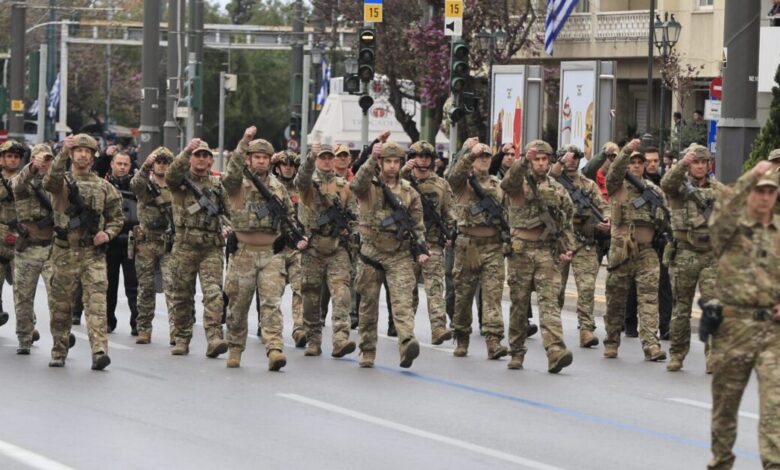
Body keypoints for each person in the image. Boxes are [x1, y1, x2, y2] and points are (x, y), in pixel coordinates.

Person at [706, 161, 780, 470]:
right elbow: (725, 206)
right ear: (749, 193)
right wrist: (752, 174)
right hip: (734, 329)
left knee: (776, 407)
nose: (764, 197)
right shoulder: (728, 230)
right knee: (726, 406)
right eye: (759, 191)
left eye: (770, 191)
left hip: (772, 334)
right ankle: (721, 462)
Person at [222, 127, 305, 370]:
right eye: (256, 156)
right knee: (238, 305)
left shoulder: (278, 187)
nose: (261, 161)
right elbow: (230, 175)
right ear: (249, 158)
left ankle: (275, 349)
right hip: (244, 253)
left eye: (265, 157)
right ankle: (235, 349)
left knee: (271, 304)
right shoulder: (238, 183)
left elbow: (289, 216)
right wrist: (243, 141)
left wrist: (295, 238)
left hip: (271, 254)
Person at [43, 133, 123, 370]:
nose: (83, 154)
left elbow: (117, 218)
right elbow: (49, 182)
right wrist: (60, 154)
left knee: (97, 305)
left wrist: (107, 234)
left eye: (87, 151)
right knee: (61, 307)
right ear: (72, 153)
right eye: (78, 150)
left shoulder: (105, 187)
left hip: (92, 255)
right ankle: (59, 350)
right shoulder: (61, 183)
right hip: (64, 253)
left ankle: (99, 351)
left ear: (93, 156)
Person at [351, 140, 428, 368]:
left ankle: (407, 343)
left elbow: (418, 225)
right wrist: (370, 161)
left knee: (403, 303)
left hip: (399, 254)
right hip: (371, 254)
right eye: (388, 162)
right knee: (368, 306)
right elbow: (355, 185)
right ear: (381, 163)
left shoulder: (409, 192)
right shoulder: (370, 186)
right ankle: (367, 350)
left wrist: (420, 249)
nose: (393, 166)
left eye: (396, 162)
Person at [500, 140, 575, 372]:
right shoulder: (518, 184)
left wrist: (567, 247)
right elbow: (507, 181)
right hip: (520, 250)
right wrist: (523, 160)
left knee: (550, 304)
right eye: (537, 159)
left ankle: (555, 351)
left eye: (544, 160)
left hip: (546, 251)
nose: (541, 164)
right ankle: (517, 352)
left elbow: (568, 220)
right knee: (519, 303)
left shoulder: (558, 189)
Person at [661, 144, 725, 372]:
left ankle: (714, 357)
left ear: (709, 165)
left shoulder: (719, 190)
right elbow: (666, 183)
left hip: (710, 256)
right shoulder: (678, 187)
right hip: (685, 252)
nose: (699, 166)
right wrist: (681, 164)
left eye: (702, 162)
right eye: (695, 162)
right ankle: (677, 354)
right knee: (681, 308)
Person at [603, 139, 667, 362]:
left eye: (641, 162)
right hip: (621, 251)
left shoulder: (654, 192)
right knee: (616, 301)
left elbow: (666, 218)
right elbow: (612, 172)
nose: (637, 165)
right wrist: (626, 150)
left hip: (647, 252)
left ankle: (651, 344)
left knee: (649, 300)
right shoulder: (616, 187)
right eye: (633, 162)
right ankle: (611, 341)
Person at [165, 139, 230, 358]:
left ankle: (214, 337)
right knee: (182, 294)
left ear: (211, 160)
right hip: (184, 246)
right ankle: (182, 337)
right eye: (197, 155)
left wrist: (230, 227)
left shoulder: (218, 185)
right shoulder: (180, 181)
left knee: (213, 294)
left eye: (205, 155)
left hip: (211, 247)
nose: (201, 159)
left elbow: (229, 212)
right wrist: (186, 150)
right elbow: (171, 174)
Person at [294, 142, 357, 358]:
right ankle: (313, 339)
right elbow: (301, 179)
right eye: (323, 157)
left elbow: (354, 215)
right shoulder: (309, 185)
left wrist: (351, 232)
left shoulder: (344, 186)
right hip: (312, 247)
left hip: (337, 247)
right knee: (311, 295)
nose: (328, 161)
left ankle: (340, 339)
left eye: (330, 157)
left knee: (342, 293)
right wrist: (310, 158)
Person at [446, 142, 509, 359]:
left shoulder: (499, 186)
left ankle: (494, 340)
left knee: (492, 295)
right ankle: (461, 336)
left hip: (492, 245)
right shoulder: (462, 183)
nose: (483, 159)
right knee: (463, 296)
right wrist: (467, 155)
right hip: (467, 245)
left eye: (487, 156)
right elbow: (453, 176)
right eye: (479, 156)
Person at [11, 144, 75, 354]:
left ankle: (62, 338)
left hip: (53, 249)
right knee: (23, 297)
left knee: (59, 298)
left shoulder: (57, 183)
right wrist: (31, 168)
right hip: (28, 248)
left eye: (48, 159)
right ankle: (24, 337)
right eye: (40, 159)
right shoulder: (23, 182)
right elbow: (17, 184)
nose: (44, 163)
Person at [550, 144, 610, 349]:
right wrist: (559, 162)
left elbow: (603, 207)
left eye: (576, 157)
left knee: (586, 287)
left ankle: (586, 329)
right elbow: (549, 177)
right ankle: (553, 328)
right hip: (560, 242)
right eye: (568, 157)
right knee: (556, 288)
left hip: (584, 243)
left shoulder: (588, 185)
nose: (572, 160)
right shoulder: (553, 182)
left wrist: (606, 220)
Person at [401, 140, 455, 345]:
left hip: (432, 243)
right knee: (407, 290)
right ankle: (405, 330)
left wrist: (450, 233)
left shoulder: (441, 184)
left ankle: (439, 328)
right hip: (407, 244)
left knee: (434, 287)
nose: (422, 160)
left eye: (426, 157)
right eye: (418, 156)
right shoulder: (402, 183)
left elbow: (450, 212)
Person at [130, 146, 176, 345]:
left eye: (166, 163)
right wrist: (145, 165)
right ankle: (144, 328)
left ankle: (176, 331)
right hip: (147, 242)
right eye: (159, 162)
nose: (162, 166)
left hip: (169, 243)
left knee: (173, 287)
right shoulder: (145, 184)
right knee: (146, 287)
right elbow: (135, 185)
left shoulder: (176, 185)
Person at [271, 149, 306, 346]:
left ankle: (299, 329)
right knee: (273, 292)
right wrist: (269, 161)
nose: (288, 168)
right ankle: (269, 325)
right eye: (284, 165)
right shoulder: (270, 186)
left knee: (301, 288)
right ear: (277, 167)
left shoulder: (301, 187)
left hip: (296, 246)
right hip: (276, 246)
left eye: (291, 165)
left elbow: (311, 170)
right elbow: (248, 175)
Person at [105, 151, 139, 335]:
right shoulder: (104, 184)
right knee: (109, 284)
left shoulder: (137, 185)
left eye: (126, 164)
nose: (122, 167)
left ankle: (137, 322)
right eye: (119, 163)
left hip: (131, 240)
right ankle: (108, 320)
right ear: (112, 164)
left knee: (133, 285)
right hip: (109, 239)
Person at [0, 140, 24, 327]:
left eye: (16, 157)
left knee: (23, 285)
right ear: (2, 158)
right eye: (9, 156)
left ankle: (26, 325)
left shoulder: (26, 180)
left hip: (20, 235)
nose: (13, 160)